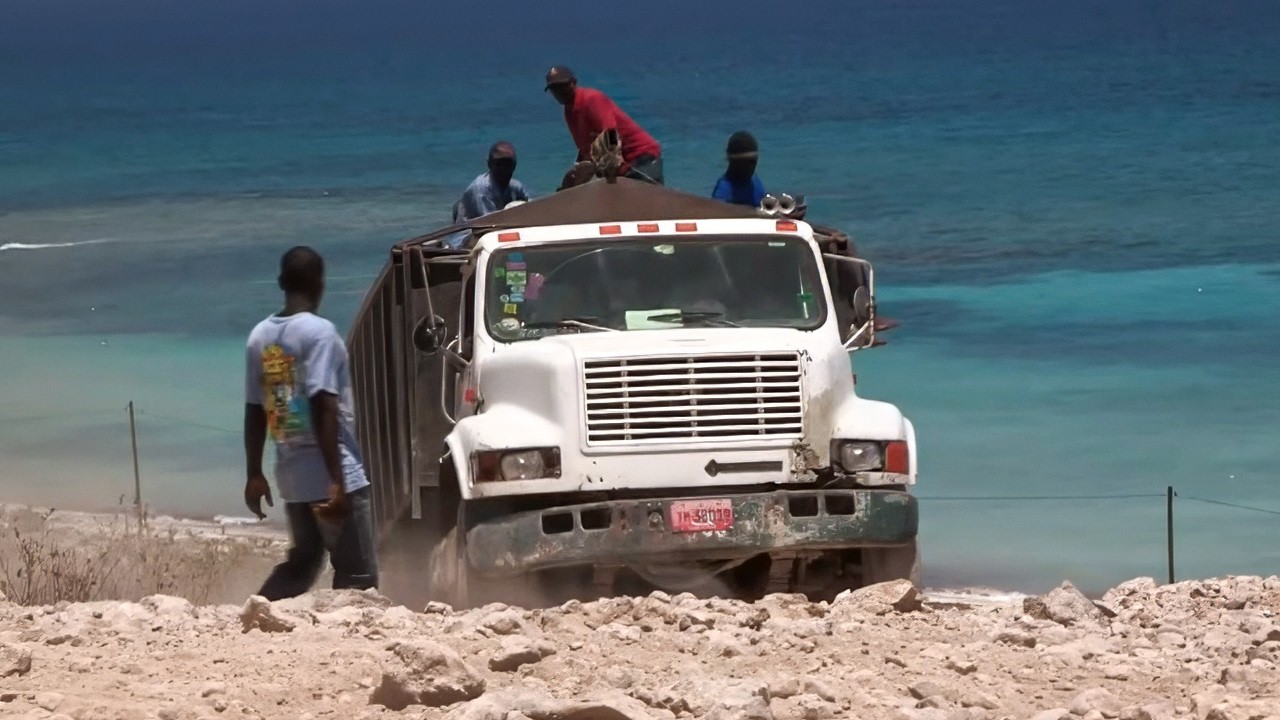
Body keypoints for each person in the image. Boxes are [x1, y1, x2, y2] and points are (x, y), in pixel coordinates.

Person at [243, 246, 378, 600]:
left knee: (301, 564)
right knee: (358, 574)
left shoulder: (259, 337)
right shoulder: (320, 333)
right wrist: (337, 479)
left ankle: (259, 610)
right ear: (320, 285)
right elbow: (323, 403)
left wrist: (254, 474)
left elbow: (255, 410)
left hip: (292, 477)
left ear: (281, 283)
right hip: (333, 473)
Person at [544, 66, 664, 185]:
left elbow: (610, 134)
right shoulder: (569, 111)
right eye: (554, 88)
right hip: (620, 166)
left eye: (562, 86)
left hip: (640, 157)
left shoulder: (591, 99)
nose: (559, 91)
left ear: (574, 83)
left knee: (649, 201)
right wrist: (577, 174)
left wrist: (610, 167)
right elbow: (586, 149)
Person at [452, 141, 530, 224]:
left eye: (508, 164)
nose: (503, 169)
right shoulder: (481, 191)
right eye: (499, 165)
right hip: (468, 231)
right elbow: (490, 223)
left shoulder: (516, 187)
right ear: (489, 164)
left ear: (514, 165)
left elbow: (531, 208)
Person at [712, 131, 767, 207]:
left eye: (754, 161)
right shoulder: (724, 189)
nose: (751, 166)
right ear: (734, 162)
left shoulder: (755, 182)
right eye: (747, 162)